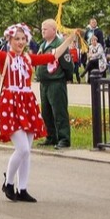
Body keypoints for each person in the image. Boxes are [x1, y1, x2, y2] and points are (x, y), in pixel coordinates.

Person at [0, 8, 78, 202]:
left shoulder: (29, 58)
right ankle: (8, 182)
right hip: (10, 103)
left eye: (23, 39)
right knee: (23, 149)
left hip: (27, 103)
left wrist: (68, 41)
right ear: (10, 40)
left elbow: (53, 56)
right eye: (17, 39)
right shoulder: (6, 57)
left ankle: (22, 188)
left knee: (27, 150)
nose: (20, 42)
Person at [36, 19, 75, 149]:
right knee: (46, 112)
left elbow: (68, 64)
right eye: (42, 29)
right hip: (44, 83)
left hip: (56, 82)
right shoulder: (43, 45)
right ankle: (51, 136)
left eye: (45, 29)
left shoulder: (60, 44)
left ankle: (64, 138)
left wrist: (65, 78)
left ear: (54, 29)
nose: (43, 31)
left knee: (59, 112)